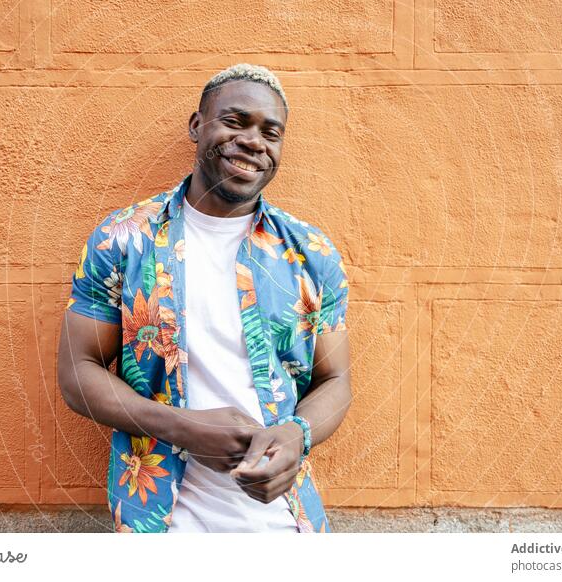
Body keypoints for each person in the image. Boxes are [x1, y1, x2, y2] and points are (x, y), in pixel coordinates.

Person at [58, 63, 351, 533]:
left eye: (270, 133)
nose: (254, 141)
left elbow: (335, 379)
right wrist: (182, 427)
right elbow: (77, 374)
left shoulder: (311, 254)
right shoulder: (123, 240)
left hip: (286, 526)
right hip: (160, 522)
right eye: (235, 122)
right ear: (197, 126)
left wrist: (299, 434)